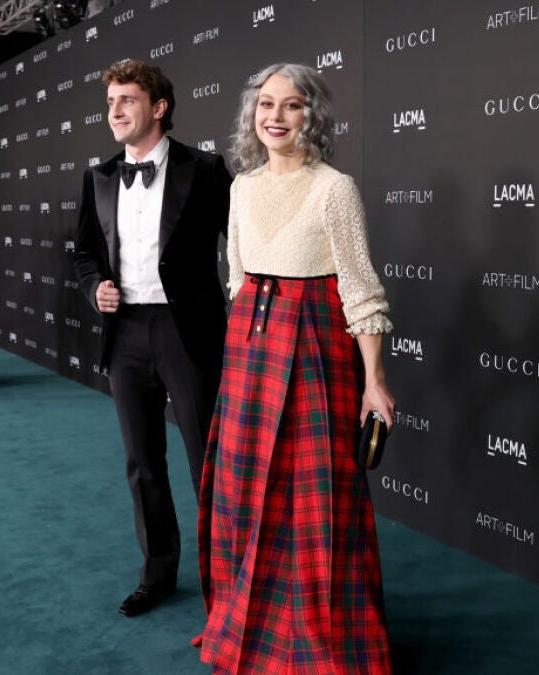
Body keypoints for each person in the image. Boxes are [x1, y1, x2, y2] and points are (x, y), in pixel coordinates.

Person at [196, 63, 394, 673]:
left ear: (314, 114)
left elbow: (360, 290)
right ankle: (249, 628)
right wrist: (246, 339)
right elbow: (236, 276)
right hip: (249, 351)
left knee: (316, 500)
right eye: (265, 104)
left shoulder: (336, 189)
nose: (276, 117)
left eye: (291, 105)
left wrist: (374, 383)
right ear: (251, 114)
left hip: (315, 349)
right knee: (243, 490)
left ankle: (319, 643)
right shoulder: (241, 187)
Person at [73, 58, 232, 618]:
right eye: (110, 102)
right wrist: (94, 288)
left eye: (127, 100)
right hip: (126, 335)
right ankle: (158, 573)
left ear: (158, 107)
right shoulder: (98, 177)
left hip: (186, 332)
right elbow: (84, 254)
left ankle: (227, 582)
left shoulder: (205, 169)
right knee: (142, 463)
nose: (114, 112)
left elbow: (243, 241)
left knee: (207, 461)